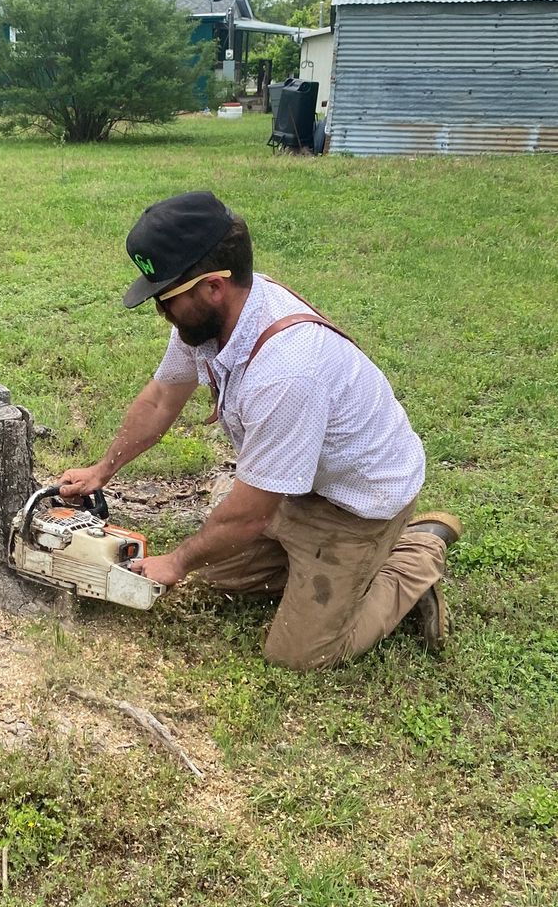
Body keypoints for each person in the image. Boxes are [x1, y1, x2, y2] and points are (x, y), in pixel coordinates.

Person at [58, 192, 460, 670]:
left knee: (299, 654)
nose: (160, 311)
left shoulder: (287, 372)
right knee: (216, 578)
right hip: (300, 490)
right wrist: (103, 470)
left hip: (358, 508)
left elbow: (249, 514)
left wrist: (178, 561)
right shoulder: (211, 320)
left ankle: (416, 552)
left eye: (165, 298)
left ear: (212, 287)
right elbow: (162, 398)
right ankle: (321, 569)